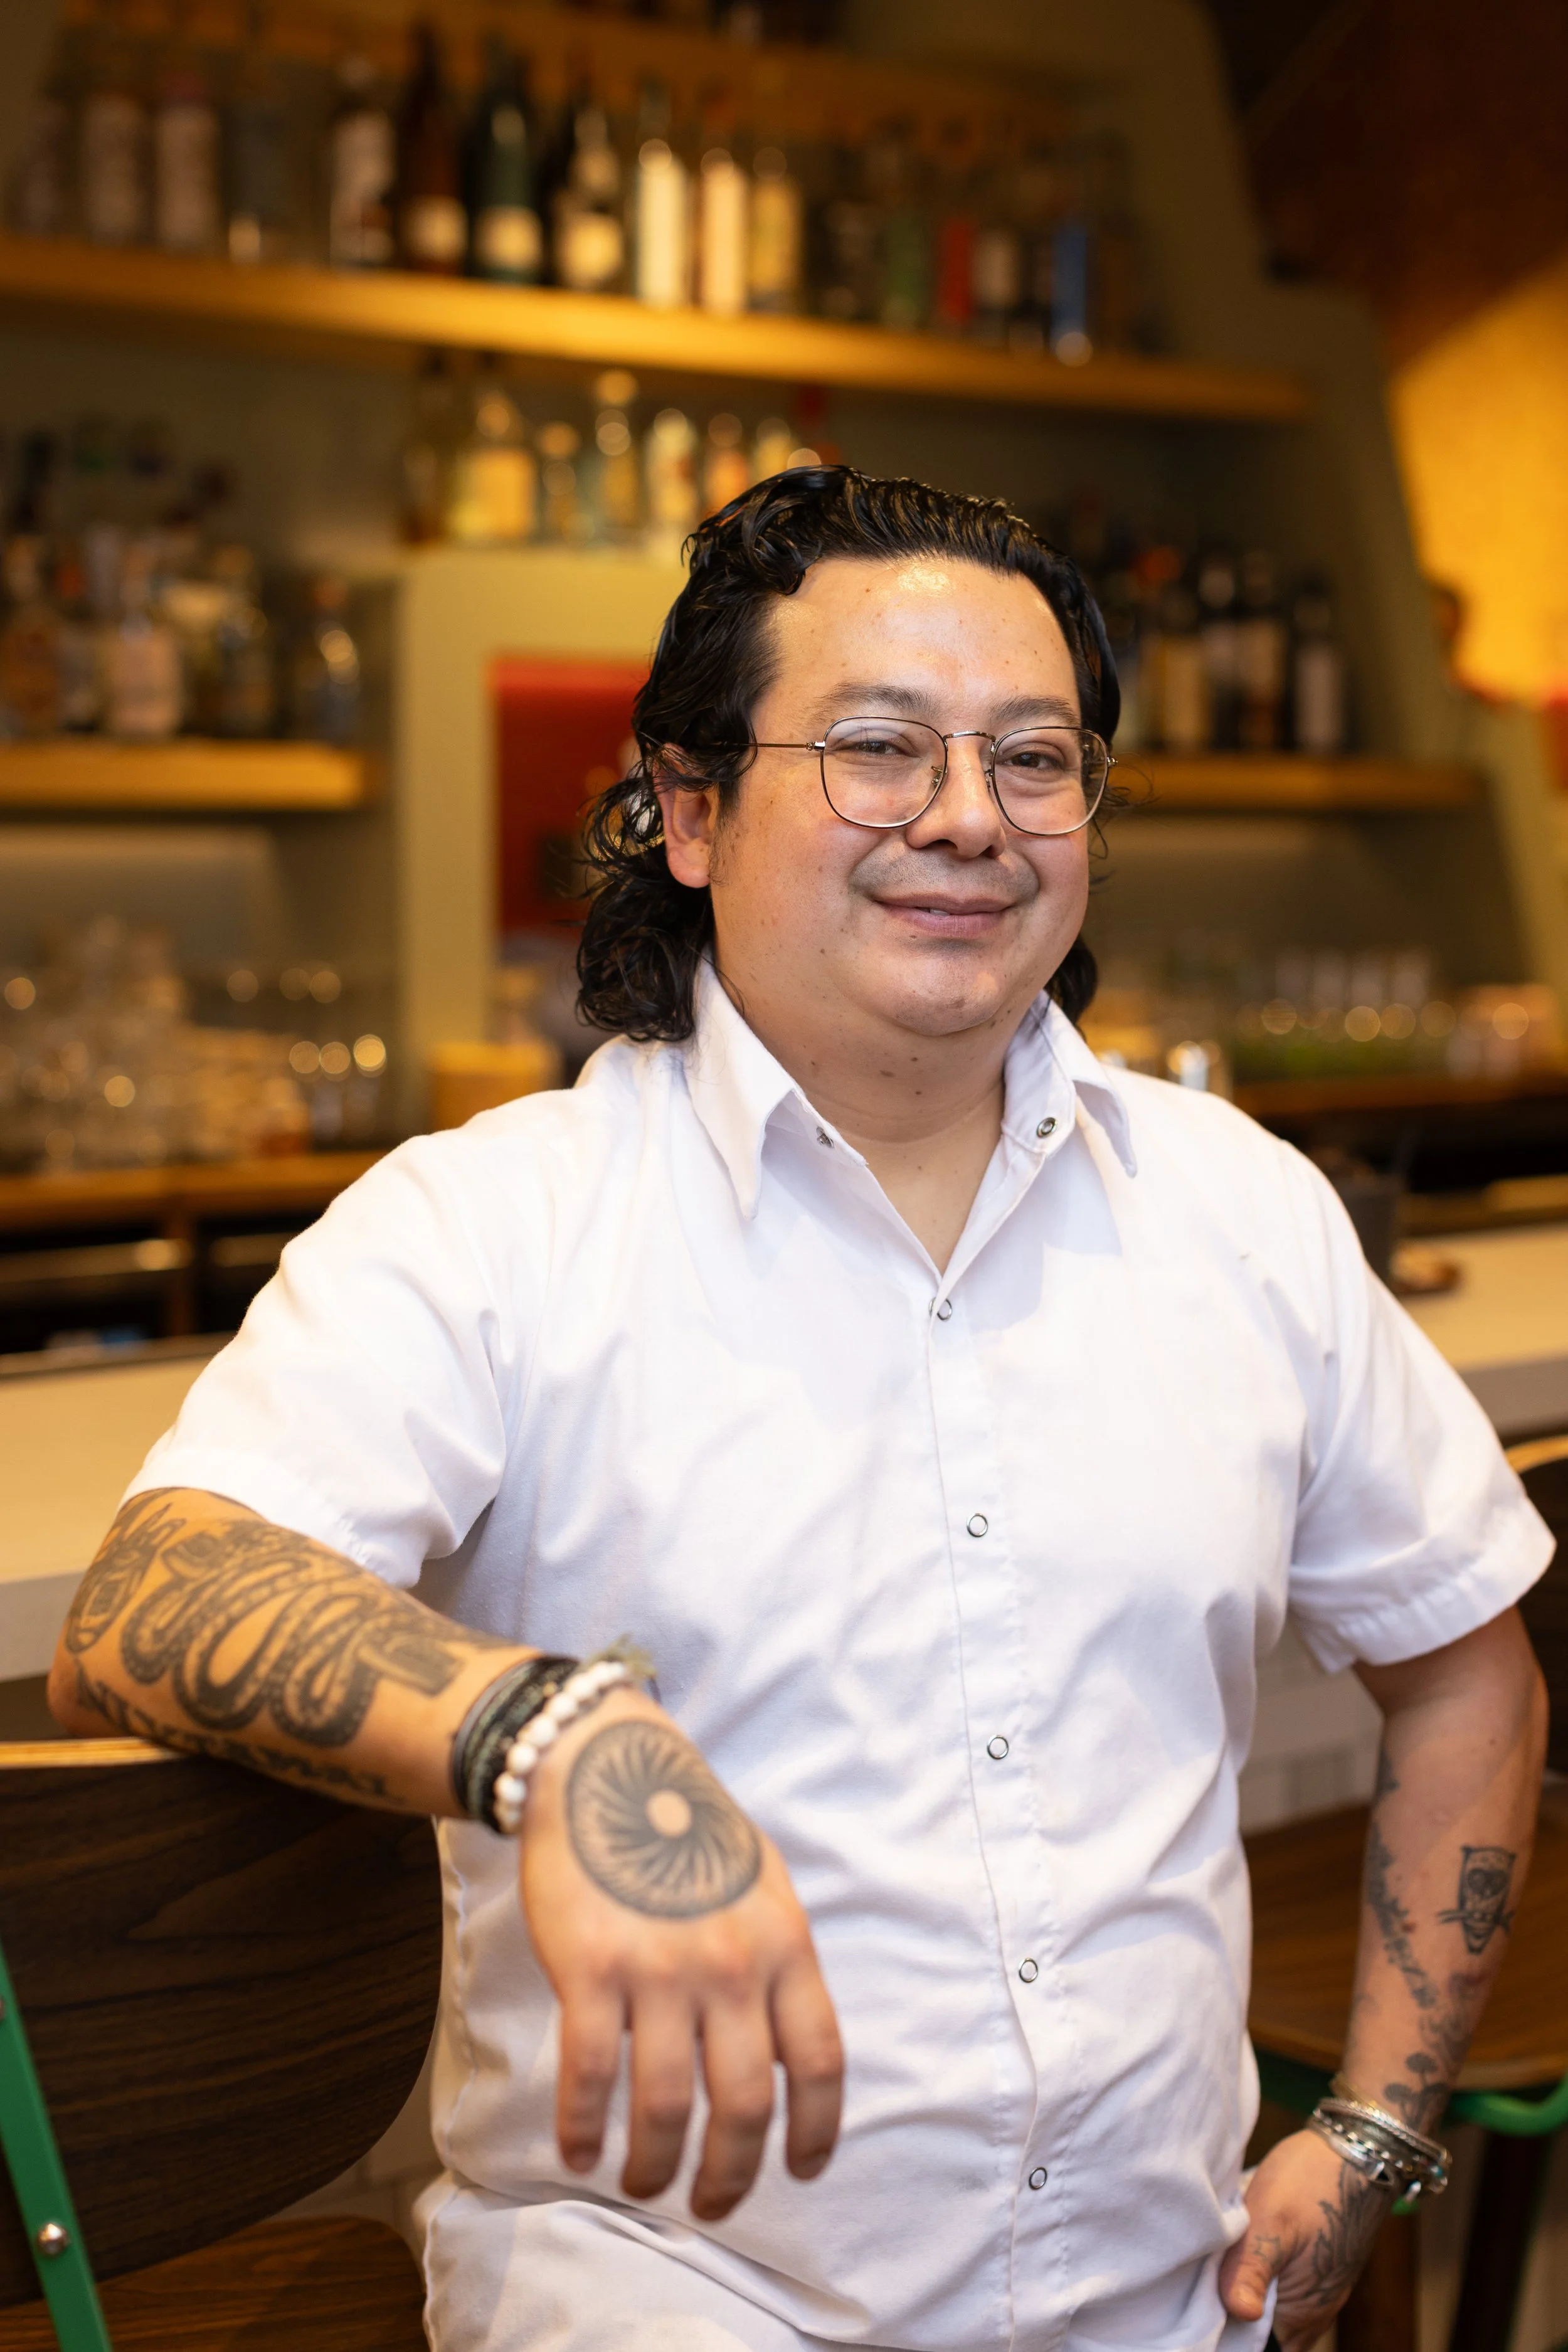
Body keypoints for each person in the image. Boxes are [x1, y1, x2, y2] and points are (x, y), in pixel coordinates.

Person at [51, 470, 1549, 2352]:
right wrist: (562, 1732)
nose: (966, 820)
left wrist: (1375, 2128)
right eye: (875, 747)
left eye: (1033, 758)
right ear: (686, 807)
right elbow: (152, 1592)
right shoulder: (493, 1224)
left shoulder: (1239, 1207)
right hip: (675, 2302)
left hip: (1176, 2305)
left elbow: (1465, 1668)